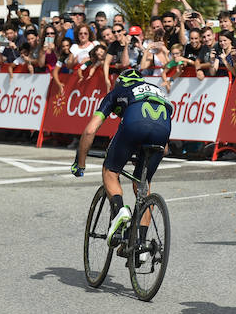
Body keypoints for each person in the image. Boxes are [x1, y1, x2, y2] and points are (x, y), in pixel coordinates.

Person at [71, 69, 173, 257]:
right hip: (161, 131)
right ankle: (141, 245)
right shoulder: (156, 90)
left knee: (110, 171)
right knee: (143, 185)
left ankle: (119, 212)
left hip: (134, 126)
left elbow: (89, 131)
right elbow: (165, 149)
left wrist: (80, 162)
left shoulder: (117, 91)